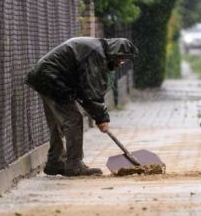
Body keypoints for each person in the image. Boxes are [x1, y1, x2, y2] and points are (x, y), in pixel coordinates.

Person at [25, 37, 138, 176]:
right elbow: (92, 91)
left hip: (43, 76)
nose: (121, 63)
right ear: (115, 52)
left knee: (57, 122)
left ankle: (55, 162)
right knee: (73, 120)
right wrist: (101, 118)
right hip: (52, 79)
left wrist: (97, 114)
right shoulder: (96, 53)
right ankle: (74, 165)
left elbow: (85, 89)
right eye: (121, 58)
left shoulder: (96, 49)